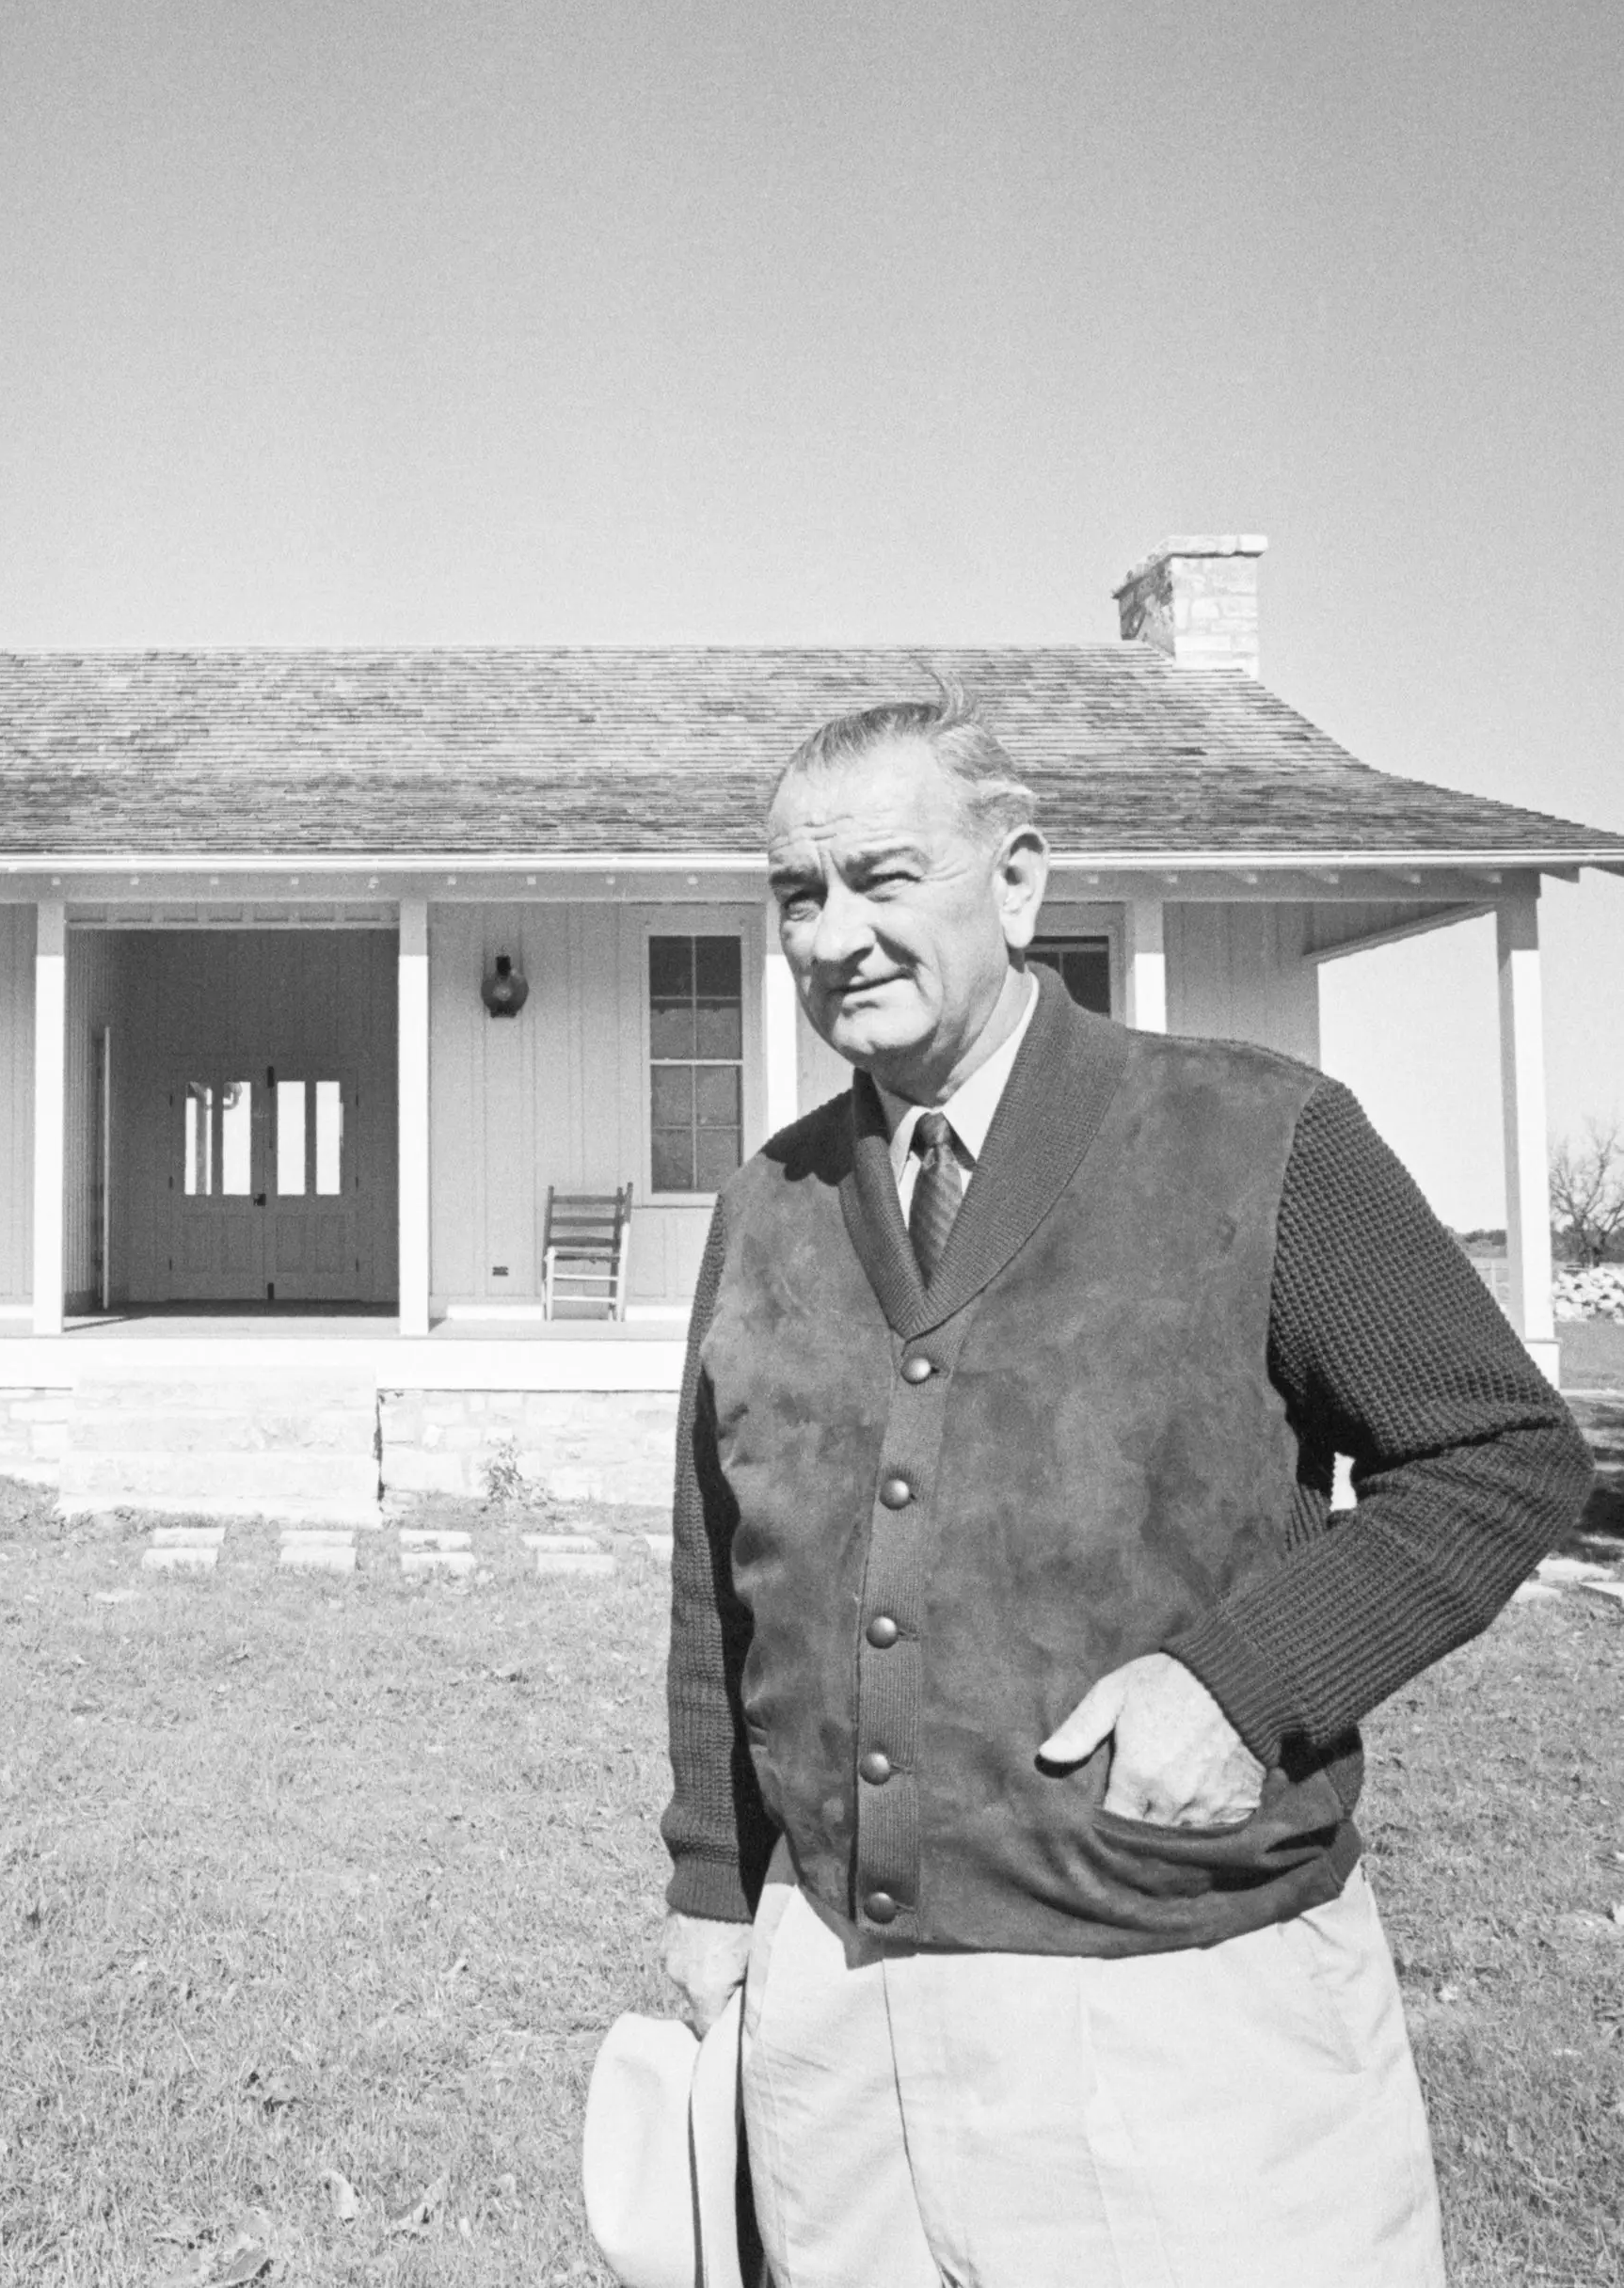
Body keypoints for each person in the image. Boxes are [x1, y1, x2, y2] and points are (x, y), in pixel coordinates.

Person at [658, 685, 1590, 2287]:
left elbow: (1505, 1450)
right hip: (837, 2027)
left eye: (885, 879)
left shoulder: (1258, 1133)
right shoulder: (767, 1203)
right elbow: (712, 1575)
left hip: (1178, 2014)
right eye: (797, 896)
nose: (834, 936)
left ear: (1019, 880)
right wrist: (710, 1886)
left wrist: (1242, 1684)